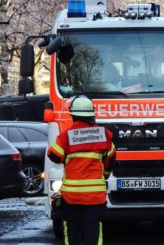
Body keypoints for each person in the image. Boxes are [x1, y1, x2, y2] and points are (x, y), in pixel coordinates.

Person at [46, 96, 116, 245]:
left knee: (72, 234)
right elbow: (111, 159)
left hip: (71, 197)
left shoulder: (66, 136)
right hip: (95, 197)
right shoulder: (104, 135)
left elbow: (54, 156)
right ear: (92, 114)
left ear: (73, 115)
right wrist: (104, 175)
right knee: (93, 235)